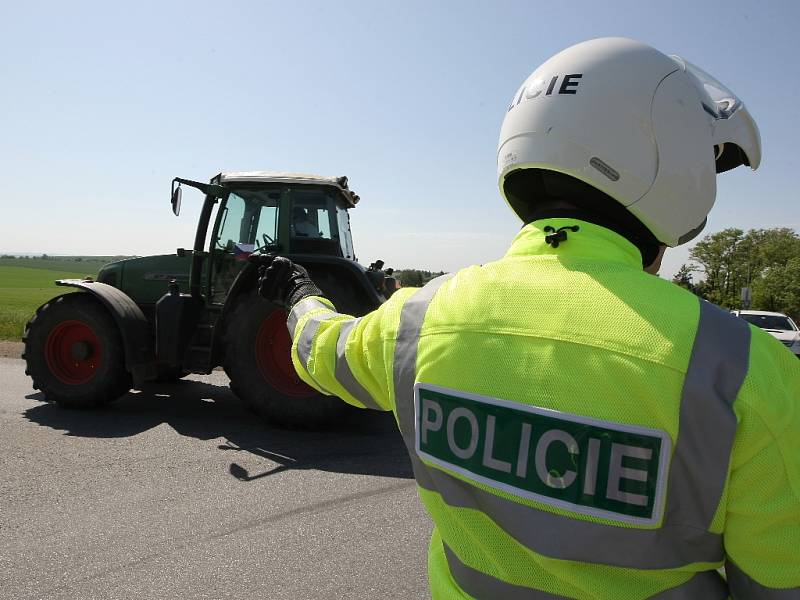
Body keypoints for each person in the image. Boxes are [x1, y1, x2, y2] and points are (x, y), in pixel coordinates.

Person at [258, 37, 799, 599]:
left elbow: (325, 352)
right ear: (671, 167)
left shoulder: (418, 320)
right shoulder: (744, 372)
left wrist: (300, 296)